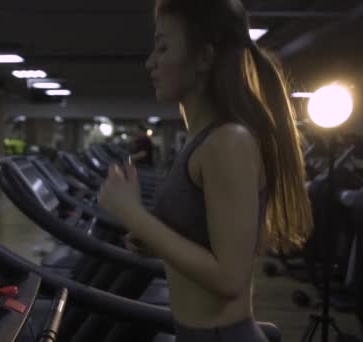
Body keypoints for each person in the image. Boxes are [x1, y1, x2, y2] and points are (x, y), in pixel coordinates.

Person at [98, 0, 313, 341]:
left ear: (203, 57)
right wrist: (155, 241)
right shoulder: (202, 141)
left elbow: (230, 278)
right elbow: (208, 245)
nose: (150, 62)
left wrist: (133, 213)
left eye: (164, 47)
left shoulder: (228, 141)